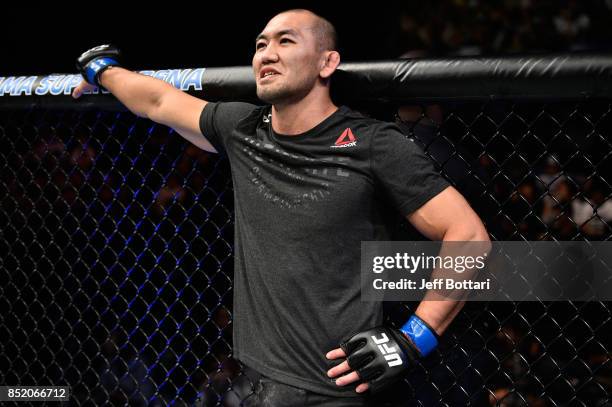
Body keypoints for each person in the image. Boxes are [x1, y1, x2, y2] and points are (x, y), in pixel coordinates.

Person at [72, 9, 490, 406]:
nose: (266, 53)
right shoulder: (241, 129)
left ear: (327, 63)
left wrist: (412, 339)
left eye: (285, 41)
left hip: (338, 387)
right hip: (258, 382)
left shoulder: (372, 143)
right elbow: (159, 101)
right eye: (260, 44)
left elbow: (469, 237)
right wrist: (102, 71)